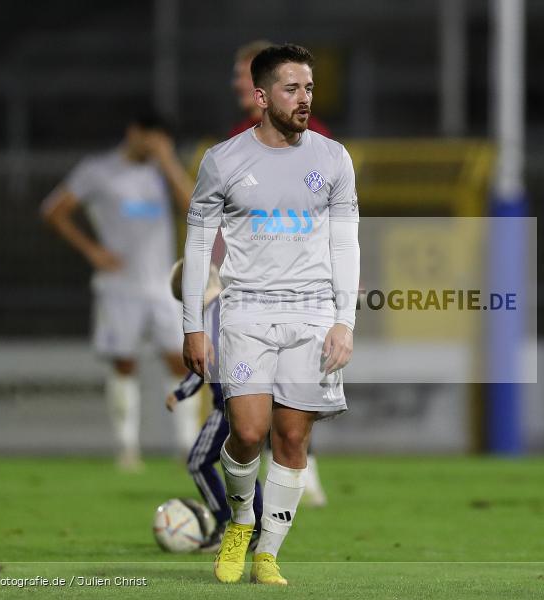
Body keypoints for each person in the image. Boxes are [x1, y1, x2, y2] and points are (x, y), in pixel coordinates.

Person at [182, 44, 360, 585]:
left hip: (312, 313)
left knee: (292, 437)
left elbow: (346, 244)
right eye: (292, 89)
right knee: (247, 431)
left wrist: (344, 322)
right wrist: (193, 326)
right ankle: (241, 521)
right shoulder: (222, 160)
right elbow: (197, 246)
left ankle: (268, 554)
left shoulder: (334, 159)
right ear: (262, 97)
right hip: (246, 312)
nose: (304, 99)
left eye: (309, 88)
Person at [191, 39, 333, 507]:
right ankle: (254, 492)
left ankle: (300, 471)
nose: (237, 82)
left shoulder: (316, 140)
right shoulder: (234, 144)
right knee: (252, 402)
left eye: (241, 72)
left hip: (303, 288)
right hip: (247, 293)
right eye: (238, 75)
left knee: (296, 392)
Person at [41, 112, 201, 471]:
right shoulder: (98, 170)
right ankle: (126, 448)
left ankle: (186, 445)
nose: (158, 145)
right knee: (124, 363)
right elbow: (53, 210)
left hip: (162, 284)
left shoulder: (162, 171)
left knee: (181, 360)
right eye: (153, 137)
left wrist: (168, 163)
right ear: (135, 132)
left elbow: (194, 210)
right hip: (119, 286)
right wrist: (92, 251)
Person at [166, 259, 263, 551]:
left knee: (198, 462)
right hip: (260, 397)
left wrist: (181, 392)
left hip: (229, 405)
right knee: (244, 463)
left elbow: (206, 360)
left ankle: (224, 524)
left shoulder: (209, 313)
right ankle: (258, 529)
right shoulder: (235, 304)